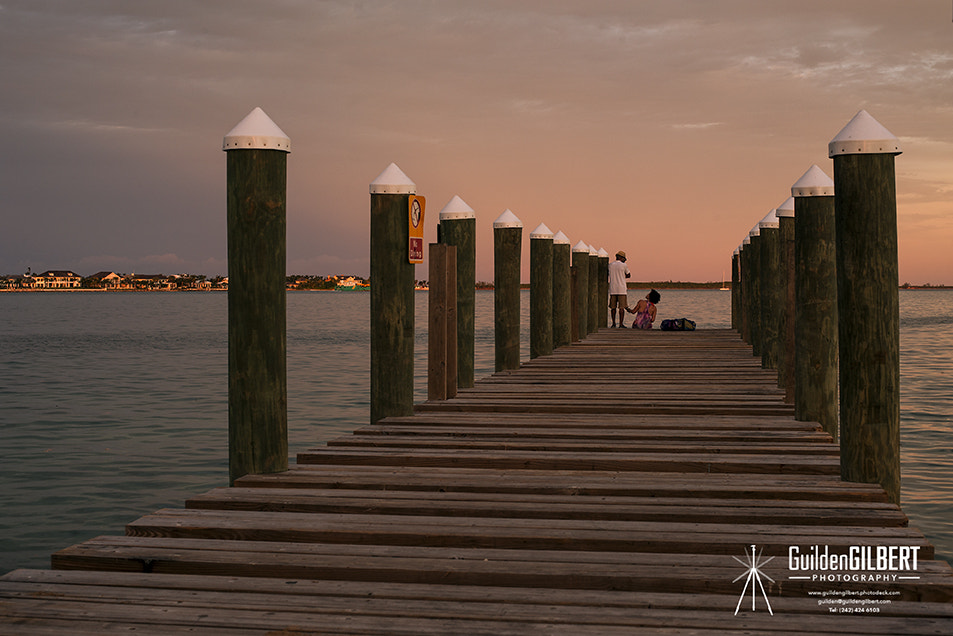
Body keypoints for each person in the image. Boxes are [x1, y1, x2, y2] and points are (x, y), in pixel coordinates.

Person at [607, 251, 631, 327]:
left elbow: (608, 274)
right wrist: (622, 276)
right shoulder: (624, 265)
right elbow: (628, 275)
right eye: (624, 259)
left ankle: (613, 323)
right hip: (622, 289)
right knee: (621, 308)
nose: (625, 260)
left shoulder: (610, 265)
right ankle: (621, 324)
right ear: (621, 258)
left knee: (613, 308)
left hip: (613, 289)